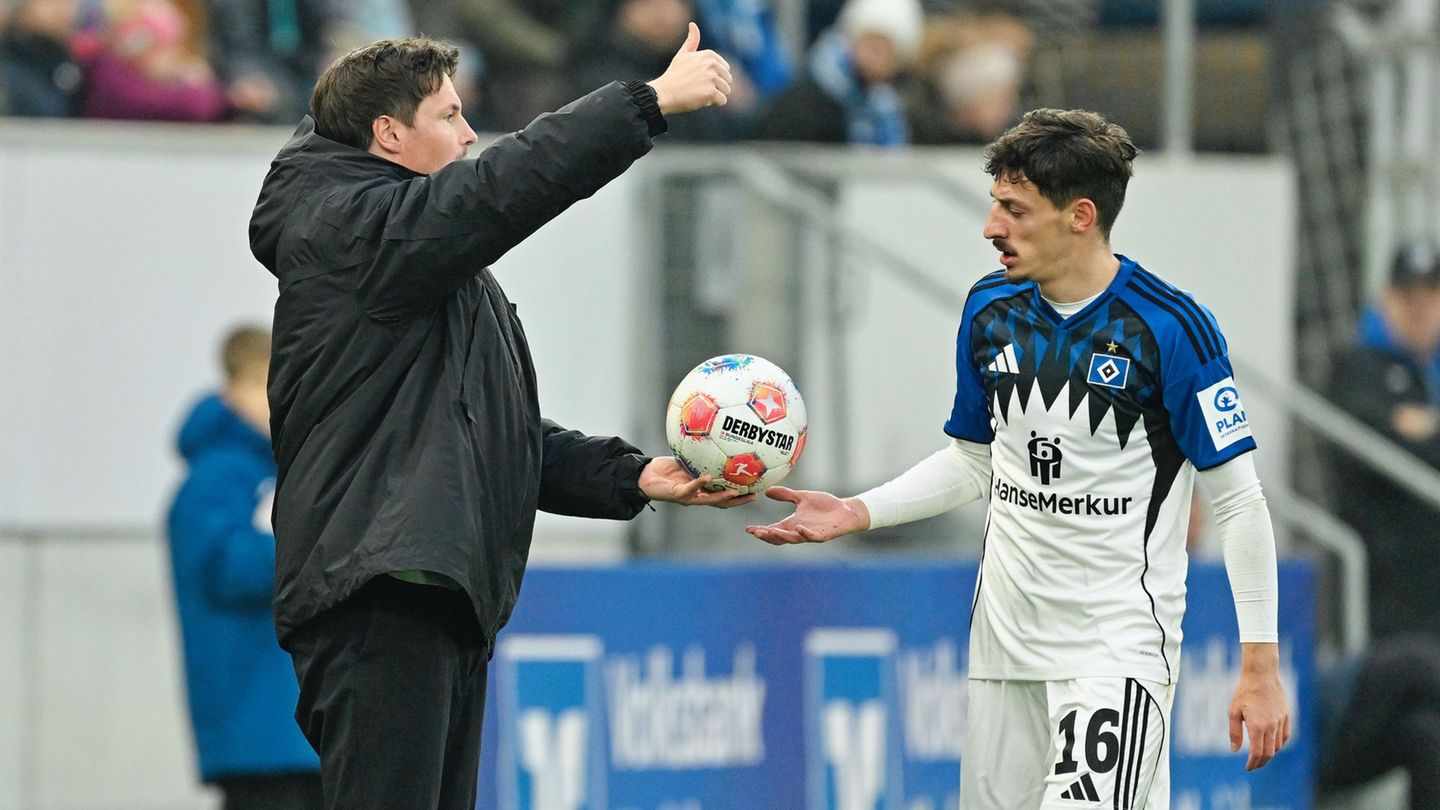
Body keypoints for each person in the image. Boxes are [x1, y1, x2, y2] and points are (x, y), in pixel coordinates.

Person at [248, 31, 738, 809]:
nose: (471, 135)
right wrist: (645, 103)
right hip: (380, 595)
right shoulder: (346, 231)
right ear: (389, 135)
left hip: (430, 596)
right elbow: (501, 187)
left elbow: (498, 432)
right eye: (449, 115)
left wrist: (634, 475)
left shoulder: (420, 264)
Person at [748, 108, 1290, 807]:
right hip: (1003, 648)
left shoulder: (1171, 328)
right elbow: (976, 461)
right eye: (993, 205)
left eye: (1014, 209)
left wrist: (1260, 663)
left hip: (1114, 652)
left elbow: (1240, 500)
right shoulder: (989, 310)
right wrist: (858, 510)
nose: (990, 228)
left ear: (1080, 216)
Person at [166, 325, 322, 810]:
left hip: (302, 727)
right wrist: (317, 542)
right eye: (265, 383)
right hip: (254, 731)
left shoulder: (284, 471)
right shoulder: (214, 479)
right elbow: (228, 571)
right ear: (232, 388)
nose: (279, 398)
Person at [1325, 241, 1440, 642]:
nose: (1420, 308)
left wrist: (1425, 428)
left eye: (1431, 295)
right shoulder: (1358, 366)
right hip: (1385, 584)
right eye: (1408, 296)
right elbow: (1364, 442)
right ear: (1386, 299)